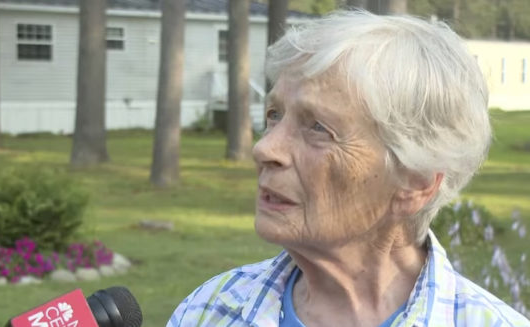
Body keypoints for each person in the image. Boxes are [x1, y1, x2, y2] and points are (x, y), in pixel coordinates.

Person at [167, 10, 530, 327]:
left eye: (318, 128)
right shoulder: (209, 311)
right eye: (274, 116)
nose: (265, 148)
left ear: (416, 181)